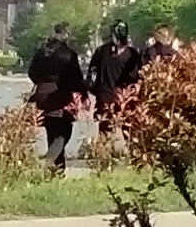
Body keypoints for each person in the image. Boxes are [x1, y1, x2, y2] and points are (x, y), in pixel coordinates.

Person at [27, 24, 87, 171]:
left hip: (41, 94)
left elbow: (32, 72)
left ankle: (57, 170)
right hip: (59, 95)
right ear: (65, 35)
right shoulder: (68, 54)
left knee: (51, 131)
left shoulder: (41, 52)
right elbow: (75, 78)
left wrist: (42, 83)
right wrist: (82, 90)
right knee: (63, 132)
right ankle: (50, 161)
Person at [87, 21, 136, 116]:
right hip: (106, 100)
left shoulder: (132, 55)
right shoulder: (102, 52)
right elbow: (92, 73)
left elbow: (135, 79)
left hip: (123, 101)